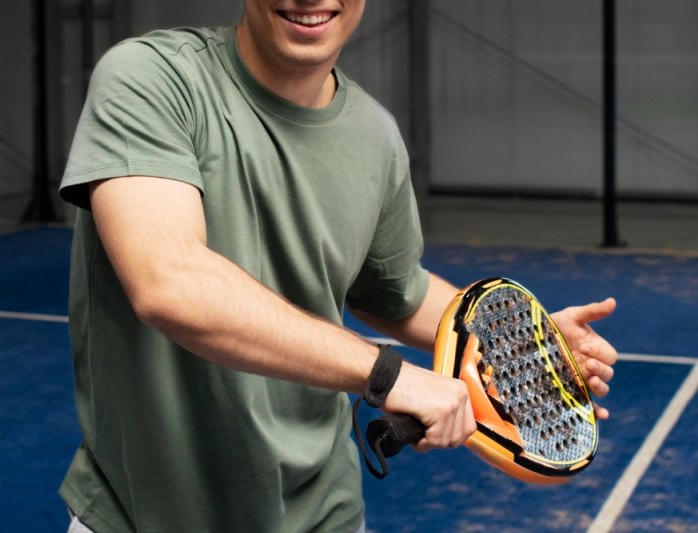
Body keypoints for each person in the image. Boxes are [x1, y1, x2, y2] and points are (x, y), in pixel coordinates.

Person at [58, 1, 618, 531]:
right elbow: (168, 282)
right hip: (144, 517)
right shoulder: (152, 79)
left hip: (325, 514)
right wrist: (389, 376)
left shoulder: (375, 136)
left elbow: (396, 294)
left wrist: (520, 345)